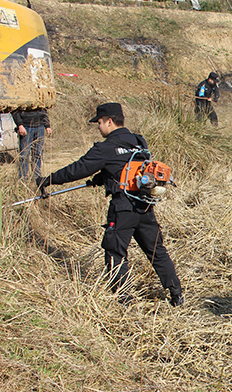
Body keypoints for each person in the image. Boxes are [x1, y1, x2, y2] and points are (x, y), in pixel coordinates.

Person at [35, 103, 183, 307]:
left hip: (122, 208)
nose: (98, 126)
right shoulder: (139, 141)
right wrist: (102, 178)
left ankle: (124, 301)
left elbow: (77, 169)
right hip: (144, 205)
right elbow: (124, 166)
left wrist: (48, 180)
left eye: (99, 122)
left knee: (115, 251)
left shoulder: (105, 148)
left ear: (109, 122)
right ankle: (177, 294)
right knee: (157, 250)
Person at [12, 108, 52, 180]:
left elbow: (44, 109)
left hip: (40, 127)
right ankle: (23, 179)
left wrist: (47, 125)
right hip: (26, 127)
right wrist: (20, 125)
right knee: (24, 156)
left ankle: (36, 178)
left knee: (38, 154)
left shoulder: (39, 97)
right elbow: (14, 109)